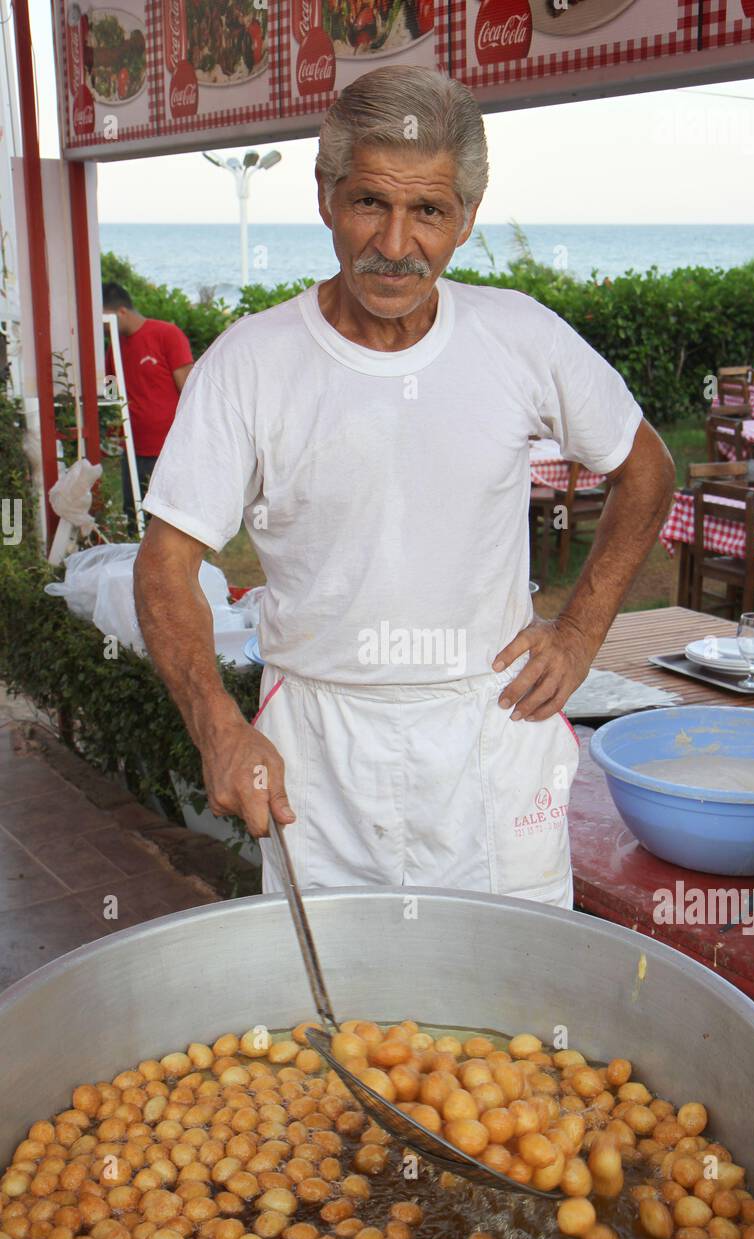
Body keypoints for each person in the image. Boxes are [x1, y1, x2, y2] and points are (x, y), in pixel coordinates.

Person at [134, 65, 674, 910]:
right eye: (368, 203)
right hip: (319, 741)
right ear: (324, 198)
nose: (394, 243)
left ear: (464, 219)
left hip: (491, 730)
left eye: (427, 210)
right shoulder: (250, 361)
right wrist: (215, 724)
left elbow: (645, 466)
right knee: (335, 1022)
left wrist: (578, 633)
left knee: (517, 1005)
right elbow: (167, 563)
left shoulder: (519, 334)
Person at [102, 283, 194, 532]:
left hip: (168, 445)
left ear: (121, 312)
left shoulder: (167, 334)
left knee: (169, 519)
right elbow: (110, 391)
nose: (102, 326)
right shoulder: (114, 347)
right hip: (131, 447)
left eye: (104, 318)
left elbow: (189, 388)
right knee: (134, 516)